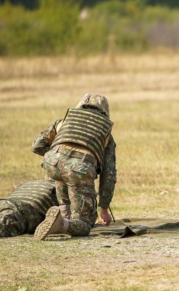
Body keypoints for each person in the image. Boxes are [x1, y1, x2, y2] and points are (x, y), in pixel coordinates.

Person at [31, 93, 116, 239]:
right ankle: (62, 224)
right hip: (79, 171)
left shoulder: (64, 121)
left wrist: (57, 156)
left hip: (53, 164)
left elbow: (37, 146)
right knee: (84, 224)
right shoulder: (105, 131)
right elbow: (109, 175)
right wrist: (104, 208)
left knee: (62, 172)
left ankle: (63, 215)